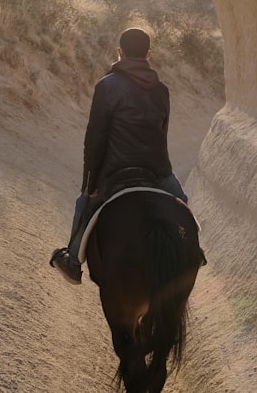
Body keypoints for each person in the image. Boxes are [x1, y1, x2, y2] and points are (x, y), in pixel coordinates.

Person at [50, 27, 188, 285]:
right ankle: (193, 254)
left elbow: (95, 139)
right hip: (156, 171)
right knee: (183, 204)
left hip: (114, 170)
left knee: (84, 206)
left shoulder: (106, 86)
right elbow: (162, 135)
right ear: (149, 55)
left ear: (119, 53)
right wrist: (162, 172)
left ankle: (73, 262)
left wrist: (90, 185)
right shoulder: (162, 91)